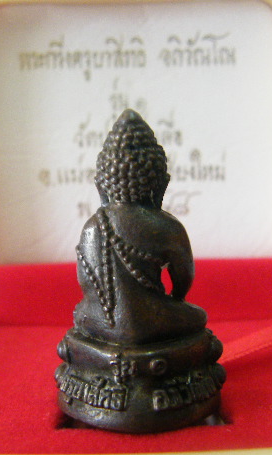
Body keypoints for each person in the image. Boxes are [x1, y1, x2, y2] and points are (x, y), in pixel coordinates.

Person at [73, 109, 207, 345]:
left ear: (101, 186)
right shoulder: (167, 227)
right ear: (162, 185)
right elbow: (183, 281)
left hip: (102, 321)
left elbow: (87, 284)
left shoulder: (91, 227)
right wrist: (173, 301)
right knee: (198, 316)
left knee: (80, 312)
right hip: (152, 318)